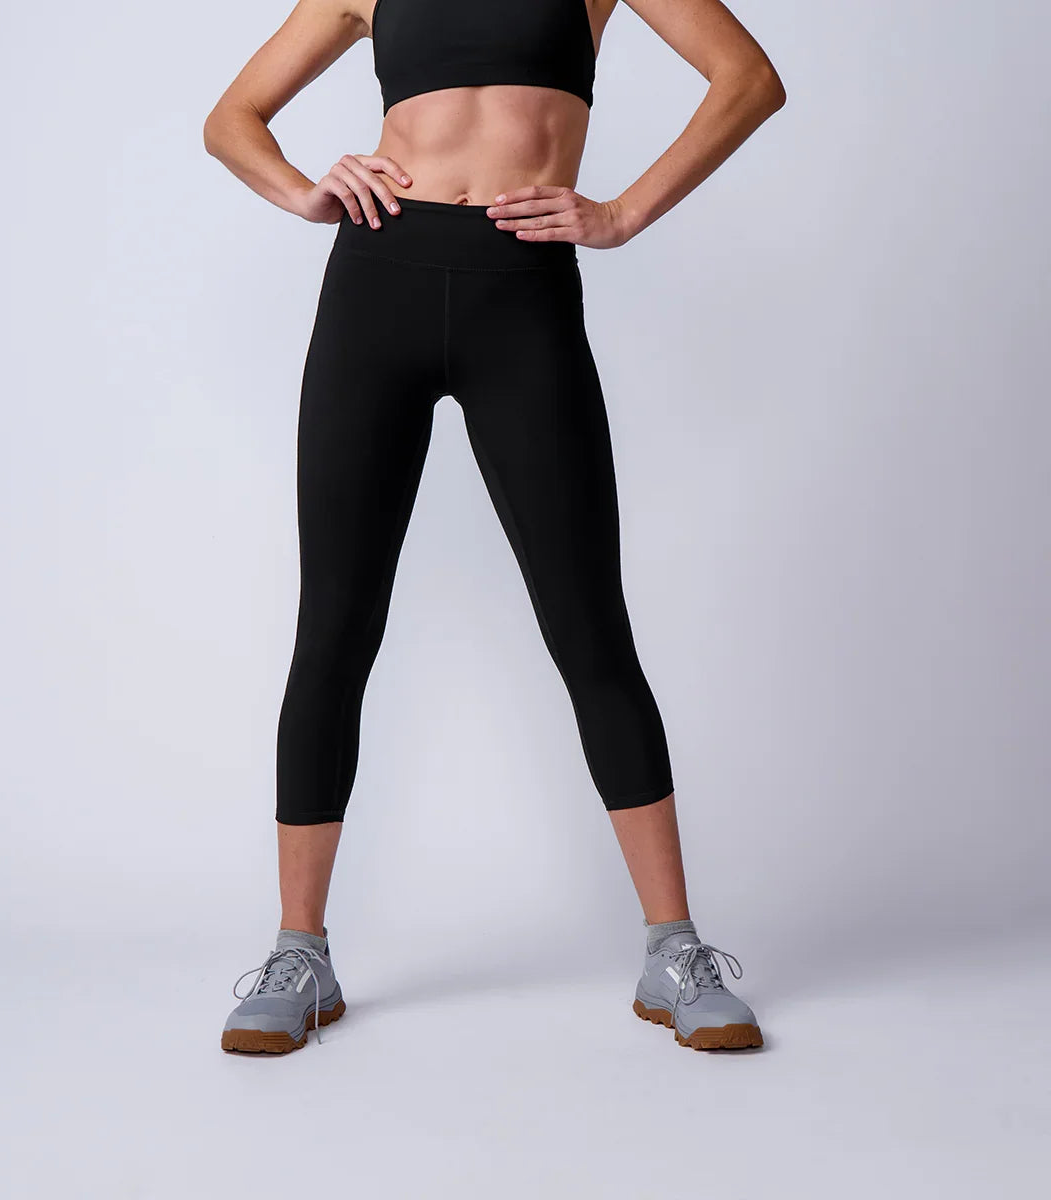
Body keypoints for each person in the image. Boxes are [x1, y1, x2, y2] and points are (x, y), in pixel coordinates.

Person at [203, 0, 785, 1054]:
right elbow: (232, 116)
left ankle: (674, 948)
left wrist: (623, 213)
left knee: (588, 626)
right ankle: (301, 952)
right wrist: (302, 191)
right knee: (335, 625)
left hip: (521, 293)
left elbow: (748, 79)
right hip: (374, 284)